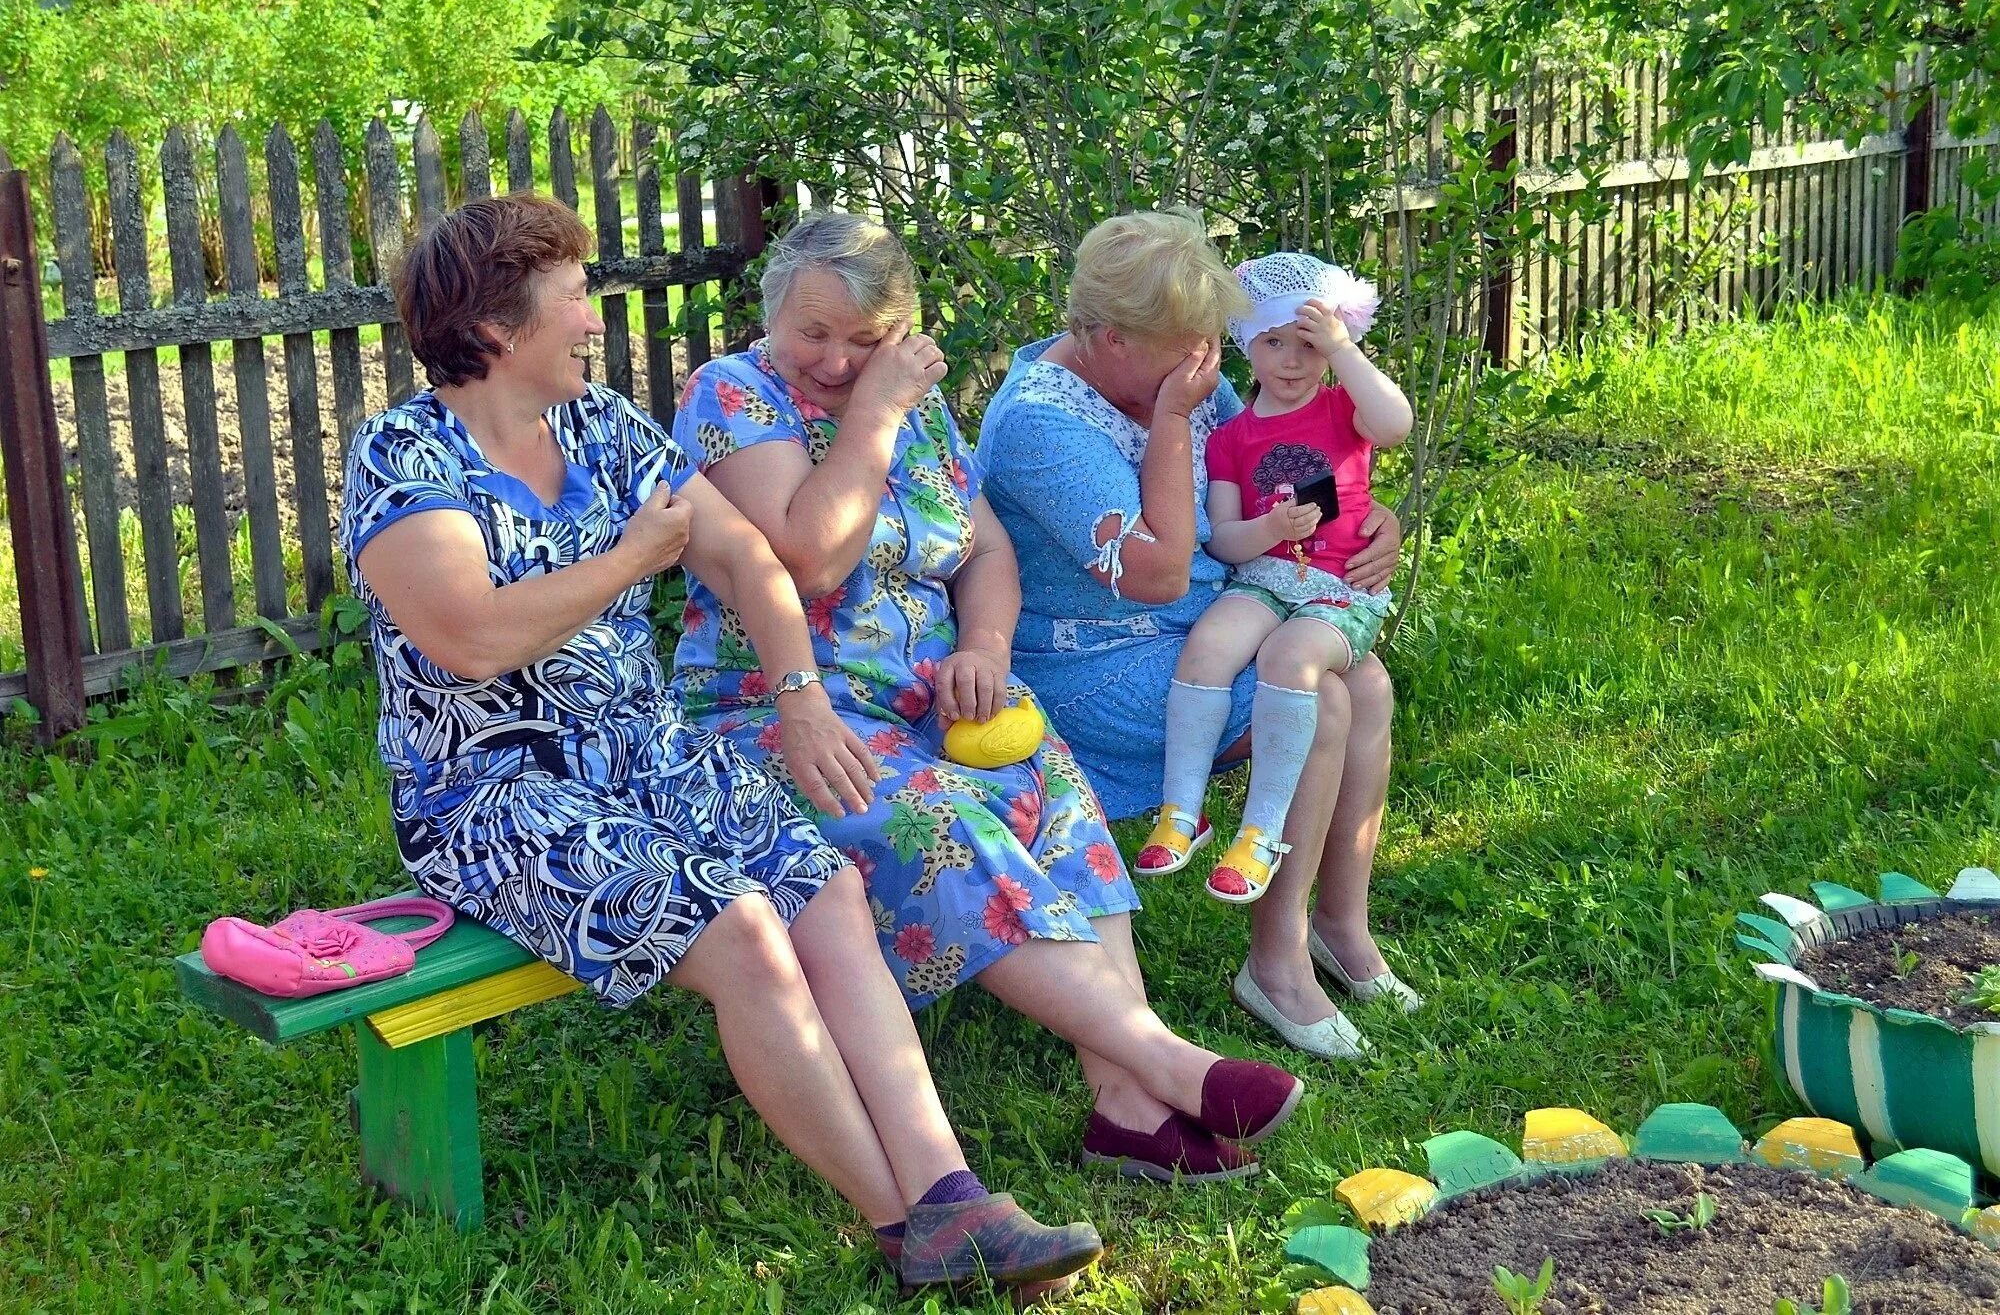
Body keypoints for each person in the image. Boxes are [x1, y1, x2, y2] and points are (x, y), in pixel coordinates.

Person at [337, 192, 1103, 1299]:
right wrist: (627, 560)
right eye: (573, 299)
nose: (594, 320)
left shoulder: (594, 422)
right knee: (744, 926)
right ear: (500, 331)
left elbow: (748, 559)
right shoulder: (409, 457)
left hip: (642, 753)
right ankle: (903, 1226)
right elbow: (468, 639)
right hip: (494, 791)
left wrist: (798, 698)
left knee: (821, 888)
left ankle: (951, 1191)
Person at [672, 210, 1306, 1185]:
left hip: (932, 694)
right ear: (772, 317)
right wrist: (876, 410)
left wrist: (983, 643)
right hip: (785, 713)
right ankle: (1167, 1064)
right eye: (814, 334)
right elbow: (806, 556)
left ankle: (1126, 1102)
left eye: (865, 338)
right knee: (944, 823)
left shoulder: (914, 404)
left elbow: (984, 550)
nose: (837, 361)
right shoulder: (734, 396)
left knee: (1050, 786)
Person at [976, 211, 1421, 1063]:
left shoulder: (1168, 368)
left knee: (1368, 684)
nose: (1202, 367)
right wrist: (1177, 421)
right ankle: (1276, 963)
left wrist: (1372, 521)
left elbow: (1278, 469)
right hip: (1096, 663)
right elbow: (1162, 573)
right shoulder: (1042, 422)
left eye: (1207, 347)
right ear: (1108, 337)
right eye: (1182, 349)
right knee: (1321, 697)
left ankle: (1338, 926)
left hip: (1213, 618)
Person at [1150, 251, 1412, 908]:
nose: (1292, 362)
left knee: (1290, 658)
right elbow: (1225, 535)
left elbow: (1396, 424)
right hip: (1265, 575)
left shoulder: (1341, 411)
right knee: (1209, 645)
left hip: (1336, 588)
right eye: (1274, 343)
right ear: (1248, 345)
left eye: (1308, 346)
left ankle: (1261, 834)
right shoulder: (1231, 437)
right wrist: (1271, 529)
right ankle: (1183, 812)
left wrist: (1345, 351)